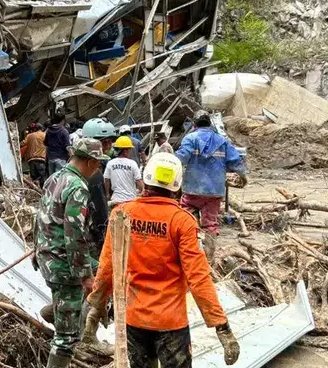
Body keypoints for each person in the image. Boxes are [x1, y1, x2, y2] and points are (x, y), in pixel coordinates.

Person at [85, 153, 240, 368]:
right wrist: (221, 326)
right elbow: (198, 277)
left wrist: (96, 306)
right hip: (170, 324)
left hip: (134, 319)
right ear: (177, 186)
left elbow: (107, 266)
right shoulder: (181, 221)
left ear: (146, 179)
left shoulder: (122, 213)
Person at [34, 138, 110, 368]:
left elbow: (39, 218)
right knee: (66, 339)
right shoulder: (77, 188)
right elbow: (74, 234)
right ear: (89, 162)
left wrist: (35, 252)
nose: (98, 169)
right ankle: (69, 321)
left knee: (104, 270)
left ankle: (60, 313)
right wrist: (85, 275)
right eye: (97, 164)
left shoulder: (53, 178)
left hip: (47, 256)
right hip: (63, 263)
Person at [175, 110, 247, 258]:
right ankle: (209, 258)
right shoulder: (222, 141)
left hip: (192, 190)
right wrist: (243, 177)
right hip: (215, 191)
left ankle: (188, 254)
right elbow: (236, 162)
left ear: (194, 125)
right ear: (210, 124)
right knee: (210, 224)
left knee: (187, 220)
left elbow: (180, 159)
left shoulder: (190, 138)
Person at [81, 118, 118, 258]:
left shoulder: (74, 167)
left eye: (110, 141)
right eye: (105, 142)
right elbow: (100, 210)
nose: (108, 146)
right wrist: (104, 232)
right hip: (88, 236)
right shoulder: (94, 174)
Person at [104, 136, 144, 208]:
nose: (130, 152)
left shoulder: (110, 163)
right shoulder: (132, 163)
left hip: (116, 201)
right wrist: (143, 192)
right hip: (130, 201)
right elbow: (139, 181)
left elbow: (106, 181)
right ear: (125, 151)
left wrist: (107, 195)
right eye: (129, 150)